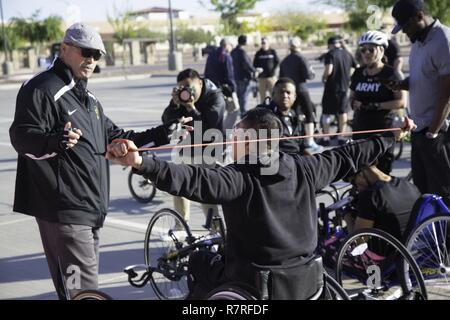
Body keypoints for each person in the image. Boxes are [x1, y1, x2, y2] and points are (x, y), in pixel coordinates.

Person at [105, 108, 415, 299]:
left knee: (200, 265)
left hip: (256, 287)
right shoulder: (306, 168)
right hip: (309, 282)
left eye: (236, 136)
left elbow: (190, 178)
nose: (230, 142)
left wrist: (141, 162)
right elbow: (350, 155)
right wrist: (392, 137)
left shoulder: (239, 178)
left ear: (251, 142)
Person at [8, 23, 188, 299]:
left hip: (90, 209)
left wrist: (166, 131)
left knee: (77, 292)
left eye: (98, 55)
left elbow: (119, 139)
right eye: (87, 52)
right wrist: (55, 142)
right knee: (84, 293)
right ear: (65, 49)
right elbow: (21, 137)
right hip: (65, 210)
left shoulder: (89, 100)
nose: (92, 59)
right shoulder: (42, 88)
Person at [388, 0, 450, 207]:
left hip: (439, 133)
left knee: (443, 194)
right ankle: (433, 237)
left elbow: (447, 92)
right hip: (419, 129)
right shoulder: (417, 42)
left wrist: (433, 132)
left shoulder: (444, 39)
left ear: (419, 16)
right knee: (424, 193)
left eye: (406, 26)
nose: (405, 32)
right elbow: (423, 79)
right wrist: (401, 84)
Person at [162, 68, 225, 226]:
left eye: (190, 86)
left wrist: (191, 108)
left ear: (200, 82)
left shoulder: (215, 96)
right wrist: (175, 105)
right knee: (179, 186)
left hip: (208, 148)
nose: (187, 91)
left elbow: (209, 128)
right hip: (186, 146)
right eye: (183, 87)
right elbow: (166, 121)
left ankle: (216, 231)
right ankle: (180, 226)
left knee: (206, 190)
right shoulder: (182, 98)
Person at [349, 30, 407, 174]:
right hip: (360, 131)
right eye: (363, 50)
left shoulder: (391, 74)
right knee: (360, 176)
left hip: (383, 132)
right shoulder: (358, 73)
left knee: (380, 178)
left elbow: (401, 102)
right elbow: (351, 97)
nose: (366, 53)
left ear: (381, 50)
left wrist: (375, 106)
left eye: (371, 49)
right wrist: (353, 103)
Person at [343, 165, 421, 240]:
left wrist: (347, 217)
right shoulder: (409, 185)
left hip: (388, 250)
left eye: (353, 182)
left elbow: (358, 241)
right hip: (413, 246)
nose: (357, 188)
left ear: (362, 174)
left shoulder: (371, 195)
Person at [280, 37, 323, 153]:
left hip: (290, 92)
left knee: (293, 115)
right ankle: (309, 141)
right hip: (301, 89)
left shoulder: (285, 60)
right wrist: (312, 73)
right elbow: (309, 75)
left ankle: (294, 140)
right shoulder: (301, 58)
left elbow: (281, 78)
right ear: (299, 46)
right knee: (309, 114)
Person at [320, 36, 358, 146]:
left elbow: (329, 70)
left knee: (326, 113)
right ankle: (341, 136)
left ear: (330, 44)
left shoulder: (330, 54)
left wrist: (324, 77)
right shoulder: (347, 53)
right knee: (343, 112)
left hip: (331, 88)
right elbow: (356, 66)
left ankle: (326, 138)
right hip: (344, 88)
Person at [258, 78, 307, 155]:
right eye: (281, 92)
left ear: (294, 96)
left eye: (288, 92)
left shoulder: (297, 118)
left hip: (296, 161)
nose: (285, 96)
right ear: (273, 94)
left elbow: (302, 147)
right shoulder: (262, 116)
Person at [204, 37, 239, 131]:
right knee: (234, 110)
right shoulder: (226, 56)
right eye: (231, 46)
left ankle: (217, 129)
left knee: (218, 111)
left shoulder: (211, 55)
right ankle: (224, 131)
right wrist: (233, 89)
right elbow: (229, 75)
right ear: (227, 45)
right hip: (225, 89)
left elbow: (207, 72)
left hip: (211, 88)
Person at [231, 35, 256, 117]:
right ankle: (243, 113)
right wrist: (254, 70)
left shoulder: (233, 51)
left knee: (239, 96)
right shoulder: (242, 52)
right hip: (244, 77)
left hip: (236, 77)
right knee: (243, 97)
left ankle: (240, 112)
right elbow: (247, 64)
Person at [253, 37, 279, 102]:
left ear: (268, 43)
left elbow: (277, 62)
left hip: (271, 77)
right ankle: (263, 110)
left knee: (274, 95)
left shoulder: (272, 52)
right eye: (262, 43)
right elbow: (254, 64)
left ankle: (274, 110)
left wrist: (273, 70)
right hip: (262, 78)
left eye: (264, 42)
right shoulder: (258, 53)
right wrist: (257, 70)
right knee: (262, 97)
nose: (263, 44)